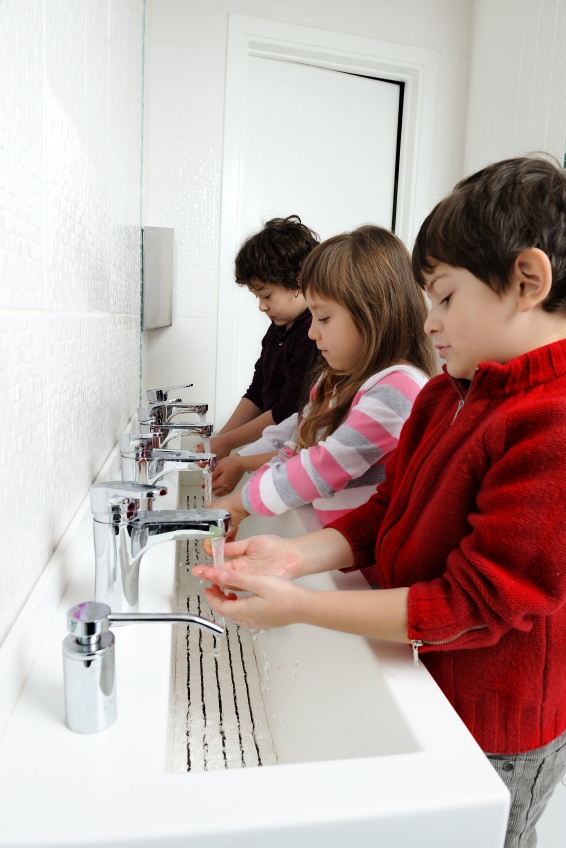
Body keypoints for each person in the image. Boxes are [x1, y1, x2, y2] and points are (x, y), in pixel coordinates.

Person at [194, 156, 566, 848]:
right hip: (424, 669)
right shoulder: (443, 396)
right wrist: (296, 553)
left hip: (496, 727)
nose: (429, 323)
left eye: (446, 298)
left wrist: (302, 604)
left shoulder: (551, 423)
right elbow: (386, 509)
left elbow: (473, 603)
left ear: (527, 282)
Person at [208, 225, 438, 558]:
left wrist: (241, 504)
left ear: (373, 312)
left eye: (324, 318)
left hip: (372, 568)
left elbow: (322, 466)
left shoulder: (398, 389)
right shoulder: (335, 383)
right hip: (340, 556)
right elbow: (292, 450)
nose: (313, 333)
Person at [199, 215, 319, 463]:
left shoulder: (312, 334)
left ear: (298, 280)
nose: (262, 307)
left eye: (266, 295)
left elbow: (287, 411)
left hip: (295, 454)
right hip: (275, 445)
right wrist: (220, 439)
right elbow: (257, 392)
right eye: (257, 297)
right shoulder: (278, 328)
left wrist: (227, 443)